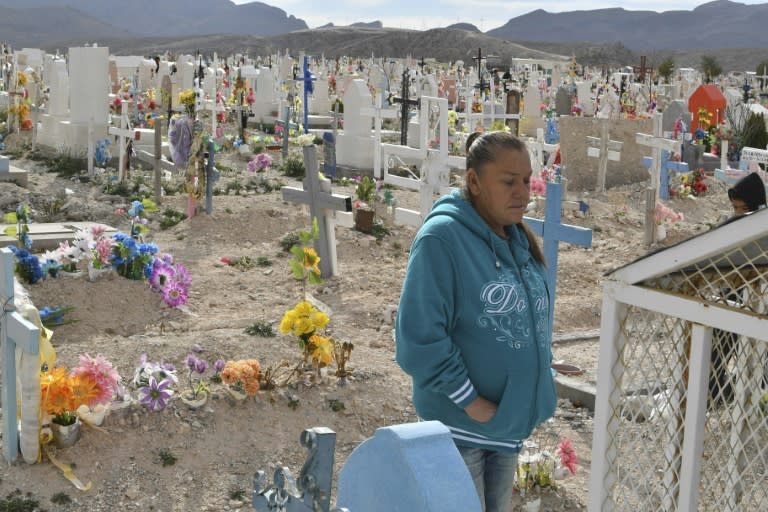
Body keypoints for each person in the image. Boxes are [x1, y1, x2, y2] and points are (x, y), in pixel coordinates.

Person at [395, 131, 556, 512]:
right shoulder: (442, 240)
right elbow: (419, 336)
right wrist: (471, 402)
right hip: (462, 427)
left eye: (525, 180)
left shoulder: (515, 238)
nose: (523, 192)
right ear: (474, 181)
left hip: (504, 426)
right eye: (508, 181)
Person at [710, 171, 766, 404]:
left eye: (742, 209)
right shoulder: (734, 227)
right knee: (718, 341)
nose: (737, 214)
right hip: (736, 292)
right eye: (735, 208)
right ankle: (712, 390)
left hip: (761, 297)